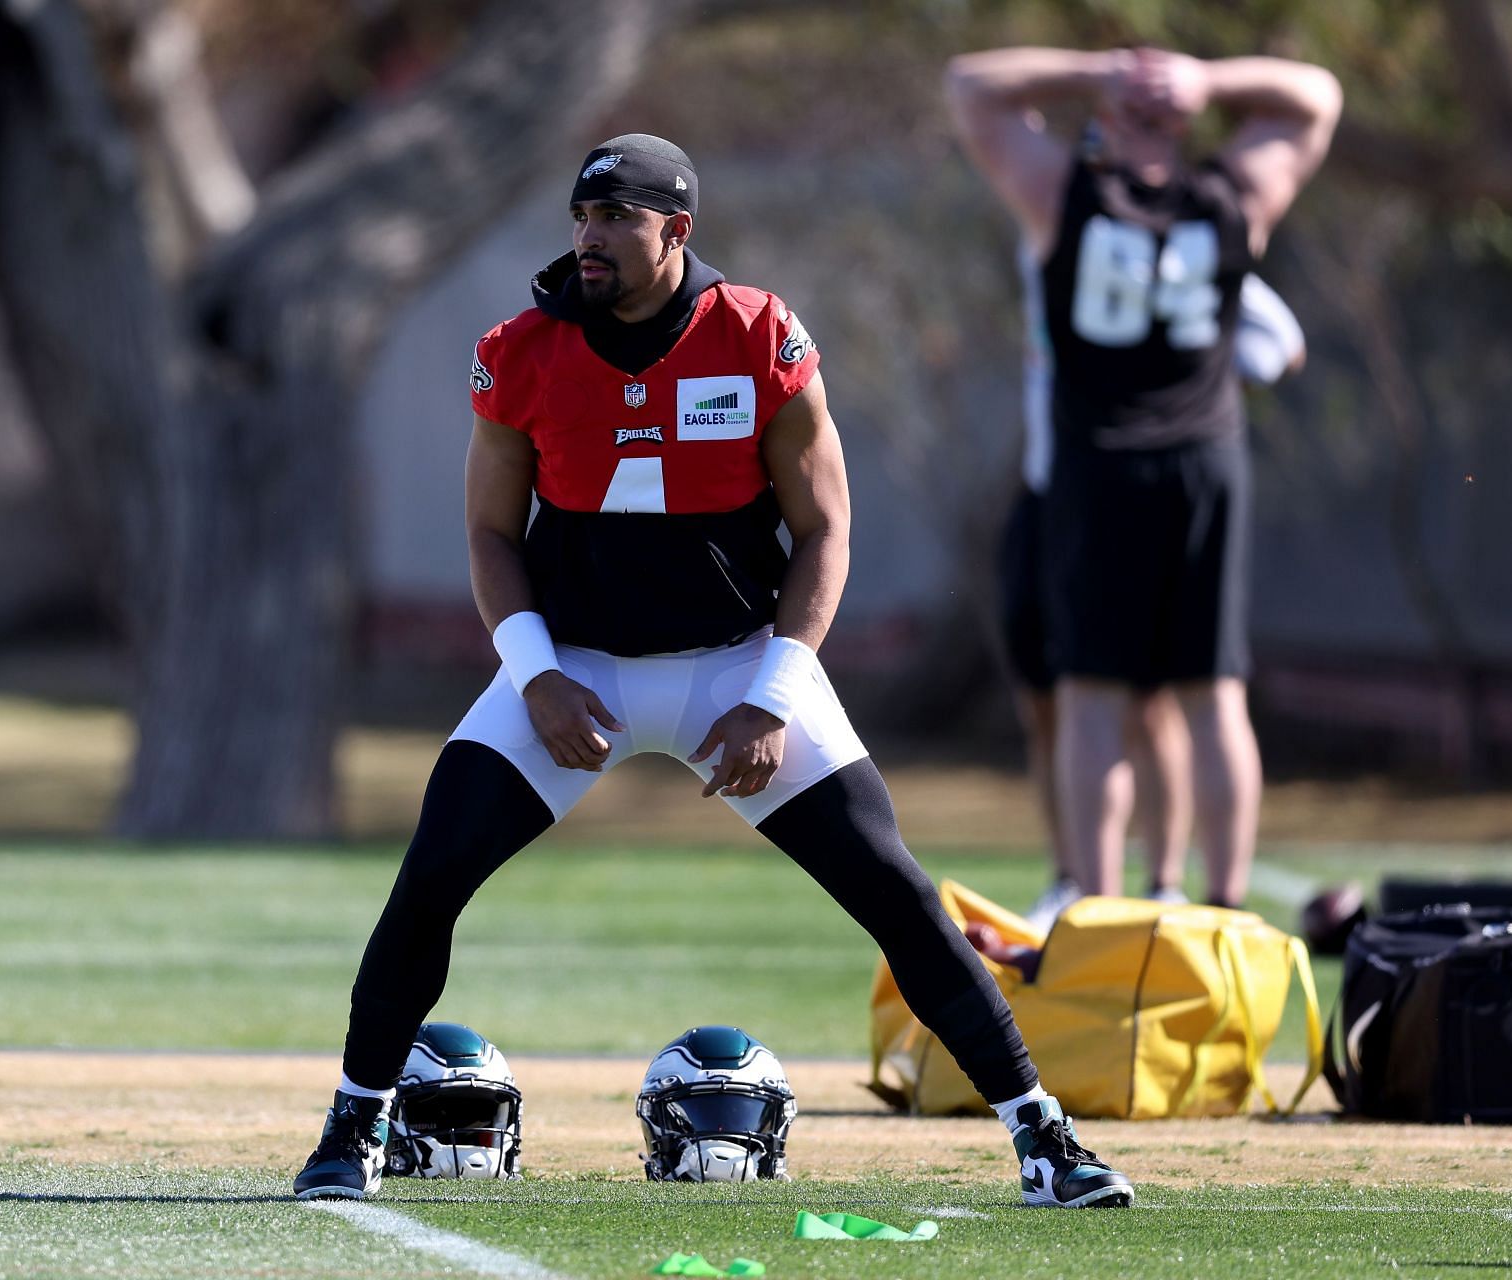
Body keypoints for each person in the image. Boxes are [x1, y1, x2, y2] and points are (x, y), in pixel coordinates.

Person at [292, 133, 1131, 1209]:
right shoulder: (522, 349)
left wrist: (773, 693)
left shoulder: (759, 336)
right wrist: (535, 672)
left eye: (616, 220)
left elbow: (824, 527)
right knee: (432, 874)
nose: (589, 239)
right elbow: (491, 533)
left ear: (675, 231)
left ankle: (1043, 1136)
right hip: (576, 662)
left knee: (899, 892)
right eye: (581, 218)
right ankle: (350, 1127)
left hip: (735, 664)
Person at [946, 47, 1340, 910]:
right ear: (1189, 120)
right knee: (1213, 697)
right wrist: (1212, 81)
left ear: (1115, 119)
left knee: (1092, 697)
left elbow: (971, 86)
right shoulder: (1234, 195)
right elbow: (1316, 96)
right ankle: (1224, 906)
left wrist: (1096, 73)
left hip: (1098, 465)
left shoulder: (1062, 197)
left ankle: (1094, 903)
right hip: (1206, 460)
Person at [1008, 234, 1309, 931]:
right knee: (1070, 696)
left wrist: (1193, 383)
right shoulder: (1051, 230)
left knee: (1146, 697)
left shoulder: (1158, 237)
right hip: (1068, 487)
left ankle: (1172, 893)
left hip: (1127, 479)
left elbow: (1278, 341)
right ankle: (1087, 895)